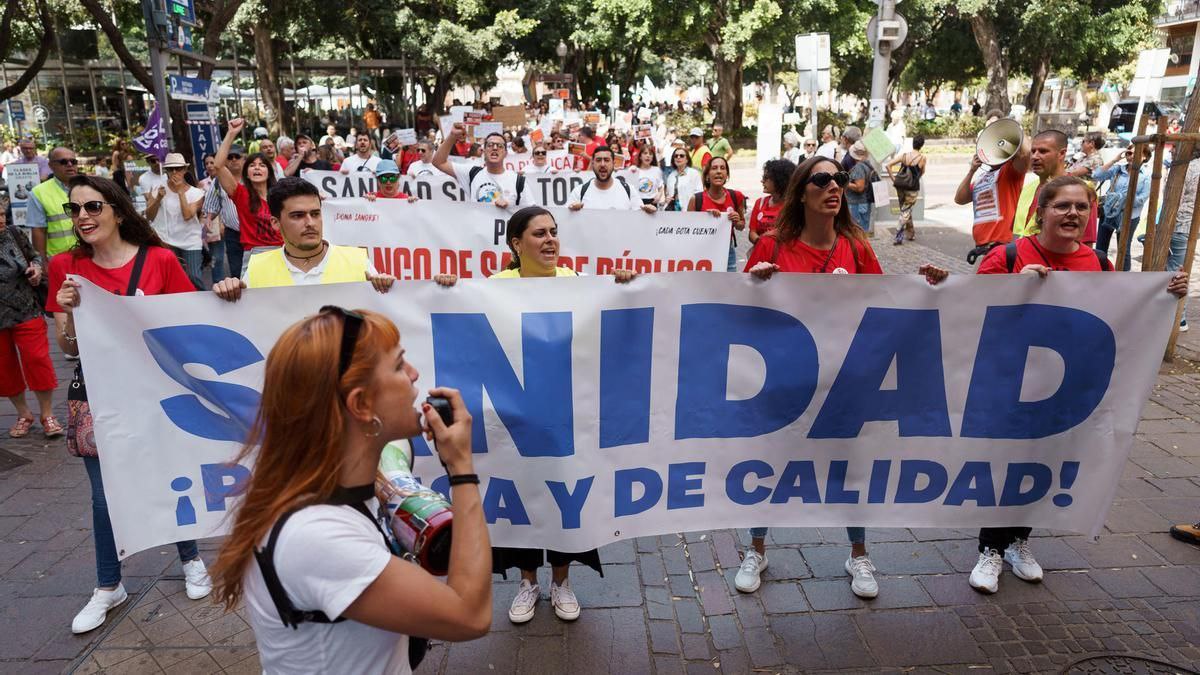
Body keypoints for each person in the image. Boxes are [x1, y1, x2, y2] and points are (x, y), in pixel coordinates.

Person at [918, 176, 1189, 593]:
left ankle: (1018, 541)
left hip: (1066, 389)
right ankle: (990, 548)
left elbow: (1122, 315)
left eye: (1082, 207)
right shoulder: (1008, 255)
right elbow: (969, 310)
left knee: (1043, 463)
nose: (1073, 214)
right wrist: (1015, 287)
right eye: (1063, 205)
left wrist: (1166, 293)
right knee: (1004, 465)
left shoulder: (1100, 265)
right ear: (1040, 211)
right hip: (1006, 384)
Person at [209, 307, 491, 673]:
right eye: (399, 365)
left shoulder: (331, 484)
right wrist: (461, 468)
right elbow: (470, 615)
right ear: (360, 404)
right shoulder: (316, 536)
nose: (414, 374)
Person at [434, 206, 634, 624]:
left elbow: (609, 320)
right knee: (523, 495)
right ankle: (528, 583)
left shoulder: (578, 283)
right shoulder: (493, 288)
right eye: (539, 233)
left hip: (565, 416)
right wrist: (446, 291)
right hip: (516, 417)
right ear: (516, 243)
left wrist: (625, 287)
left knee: (564, 496)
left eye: (554, 232)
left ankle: (561, 581)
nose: (550, 240)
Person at [48, 175, 211, 634]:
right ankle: (108, 585)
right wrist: (68, 313)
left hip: (156, 390)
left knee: (170, 475)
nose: (82, 216)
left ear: (118, 211)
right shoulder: (66, 266)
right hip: (96, 394)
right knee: (104, 495)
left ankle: (191, 558)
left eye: (93, 206)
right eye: (74, 209)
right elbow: (69, 348)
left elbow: (189, 321)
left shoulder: (159, 260)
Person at [740, 156, 884, 598]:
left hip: (842, 382)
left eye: (839, 178)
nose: (834, 186)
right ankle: (756, 549)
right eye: (822, 179)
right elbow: (740, 316)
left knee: (849, 468)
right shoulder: (772, 246)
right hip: (782, 381)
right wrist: (755, 286)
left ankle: (859, 554)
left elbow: (886, 305)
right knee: (768, 464)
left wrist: (932, 287)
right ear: (801, 191)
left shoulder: (856, 248)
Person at [211, 178, 396, 298]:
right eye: (298, 216)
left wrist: (388, 289)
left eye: (315, 214)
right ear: (275, 223)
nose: (310, 223)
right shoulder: (257, 268)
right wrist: (228, 294)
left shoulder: (357, 261)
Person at [1, 202, 61, 438]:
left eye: (1, 214)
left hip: (26, 308)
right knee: (4, 368)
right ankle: (23, 414)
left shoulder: (14, 233)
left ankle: (47, 414)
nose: (1, 220)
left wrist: (36, 269)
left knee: (37, 360)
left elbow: (34, 256)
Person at [1013, 130, 1098, 247]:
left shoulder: (1083, 190)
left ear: (1062, 154)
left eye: (1043, 151)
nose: (1035, 157)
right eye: (1033, 151)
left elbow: (1085, 244)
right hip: (1018, 256)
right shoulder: (1027, 188)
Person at [214, 118, 283, 256]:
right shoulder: (241, 194)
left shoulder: (282, 195)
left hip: (282, 252)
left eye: (262, 165)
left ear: (269, 172)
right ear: (246, 173)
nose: (257, 168)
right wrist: (231, 133)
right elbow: (218, 166)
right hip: (254, 254)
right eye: (252, 165)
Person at [955, 132, 1031, 252]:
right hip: (982, 246)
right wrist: (972, 171)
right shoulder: (980, 179)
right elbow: (959, 199)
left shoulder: (1010, 171)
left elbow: (1026, 154)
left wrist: (1016, 131)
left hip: (1002, 244)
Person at [145, 153, 206, 290]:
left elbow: (187, 215)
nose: (174, 172)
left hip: (190, 241)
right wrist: (158, 199)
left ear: (185, 170)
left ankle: (202, 301)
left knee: (194, 277)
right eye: (170, 169)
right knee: (171, 279)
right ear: (165, 170)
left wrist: (180, 192)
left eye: (178, 168)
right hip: (166, 240)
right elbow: (149, 216)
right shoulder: (158, 189)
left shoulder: (197, 193)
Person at [434, 123, 520, 208]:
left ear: (506, 153)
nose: (494, 148)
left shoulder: (518, 181)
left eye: (500, 146)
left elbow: (527, 212)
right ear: (484, 151)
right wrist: (452, 135)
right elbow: (439, 162)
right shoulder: (471, 173)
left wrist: (508, 208)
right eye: (490, 145)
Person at [1092, 147, 1150, 271]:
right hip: (1109, 213)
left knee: (1124, 249)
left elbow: (1141, 199)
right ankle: (1099, 274)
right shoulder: (1117, 169)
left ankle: (1124, 276)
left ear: (1144, 157)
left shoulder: (1146, 176)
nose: (1131, 156)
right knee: (1100, 247)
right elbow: (1096, 175)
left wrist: (1119, 200)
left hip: (1129, 217)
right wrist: (1115, 159)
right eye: (1129, 153)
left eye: (1136, 153)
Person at [687, 156, 746, 272]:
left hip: (727, 251)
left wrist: (737, 220)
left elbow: (741, 226)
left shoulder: (736, 196)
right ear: (707, 175)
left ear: (727, 175)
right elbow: (687, 230)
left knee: (728, 283)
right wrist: (706, 219)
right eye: (714, 168)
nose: (719, 171)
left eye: (722, 168)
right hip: (701, 251)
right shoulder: (696, 199)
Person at [1166, 147, 1199, 331]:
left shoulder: (1186, 168)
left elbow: (1174, 200)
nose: (1172, 151)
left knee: (1175, 272)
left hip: (1180, 224)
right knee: (1180, 269)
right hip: (1190, 226)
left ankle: (1179, 318)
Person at [27, 146, 80, 261]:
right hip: (58, 260)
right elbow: (38, 231)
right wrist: (42, 263)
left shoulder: (88, 187)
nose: (70, 164)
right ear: (51, 166)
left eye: (73, 161)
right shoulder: (39, 193)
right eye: (63, 162)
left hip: (89, 256)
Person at [203, 144, 247, 279]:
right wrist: (208, 219)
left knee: (256, 268)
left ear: (244, 159)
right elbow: (212, 204)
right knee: (237, 271)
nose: (233, 160)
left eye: (237, 156)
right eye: (230, 157)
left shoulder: (252, 177)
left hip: (254, 231)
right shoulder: (218, 181)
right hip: (233, 234)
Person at [568, 147, 654, 212]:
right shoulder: (579, 192)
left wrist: (649, 213)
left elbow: (640, 220)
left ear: (614, 163)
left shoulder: (629, 190)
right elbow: (565, 221)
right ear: (592, 163)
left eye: (606, 160)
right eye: (598, 160)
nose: (602, 164)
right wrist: (572, 212)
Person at [885, 135, 927, 245]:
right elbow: (922, 172)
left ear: (913, 143)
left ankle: (911, 233)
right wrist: (915, 178)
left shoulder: (904, 156)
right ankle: (898, 235)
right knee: (906, 211)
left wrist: (894, 179)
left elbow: (888, 165)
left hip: (900, 186)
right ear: (921, 145)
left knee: (905, 210)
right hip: (912, 188)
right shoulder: (922, 158)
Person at [748, 158, 795, 245]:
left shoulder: (792, 206)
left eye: (766, 178)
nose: (762, 181)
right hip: (761, 251)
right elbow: (752, 232)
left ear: (779, 180)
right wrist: (763, 244)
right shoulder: (760, 203)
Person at [845, 142, 878, 233]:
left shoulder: (859, 167)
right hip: (863, 203)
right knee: (862, 231)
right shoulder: (867, 164)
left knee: (857, 231)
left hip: (857, 203)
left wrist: (845, 183)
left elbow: (859, 187)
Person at [664, 147, 702, 212]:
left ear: (687, 159)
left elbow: (699, 193)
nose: (678, 157)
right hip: (673, 211)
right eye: (676, 156)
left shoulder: (694, 173)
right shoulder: (671, 176)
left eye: (681, 156)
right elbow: (668, 193)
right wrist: (667, 199)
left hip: (689, 211)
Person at [626, 142, 664, 207]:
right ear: (640, 156)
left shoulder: (657, 170)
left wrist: (659, 195)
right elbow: (628, 188)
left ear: (653, 157)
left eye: (650, 154)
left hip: (652, 202)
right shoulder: (633, 170)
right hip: (637, 202)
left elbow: (661, 186)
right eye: (645, 153)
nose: (648, 156)